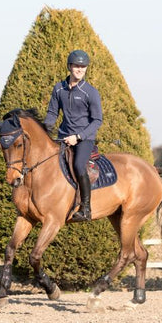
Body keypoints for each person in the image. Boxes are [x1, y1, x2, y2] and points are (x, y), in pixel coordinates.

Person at [44, 50, 103, 222]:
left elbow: (97, 120)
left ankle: (86, 209)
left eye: (83, 67)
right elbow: (52, 113)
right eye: (77, 66)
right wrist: (45, 129)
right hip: (63, 136)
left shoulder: (90, 92)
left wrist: (78, 137)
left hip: (84, 138)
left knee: (78, 165)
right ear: (70, 66)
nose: (79, 69)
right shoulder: (58, 88)